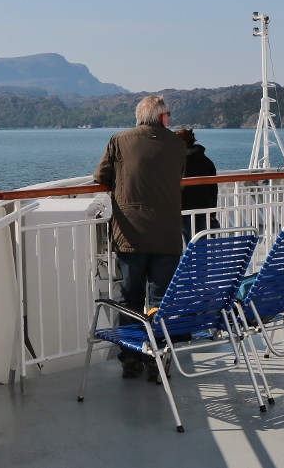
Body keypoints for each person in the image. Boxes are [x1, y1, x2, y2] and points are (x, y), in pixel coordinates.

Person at [94, 95, 186, 381]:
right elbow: (178, 175)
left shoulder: (119, 140)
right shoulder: (178, 144)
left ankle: (130, 358)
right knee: (159, 299)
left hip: (130, 234)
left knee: (130, 298)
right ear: (162, 118)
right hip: (167, 235)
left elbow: (101, 176)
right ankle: (156, 357)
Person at [176, 128, 220, 243]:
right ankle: (202, 261)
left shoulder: (177, 162)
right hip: (204, 207)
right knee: (201, 241)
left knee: (189, 242)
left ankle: (192, 260)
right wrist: (212, 212)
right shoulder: (206, 161)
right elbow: (213, 188)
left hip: (183, 208)